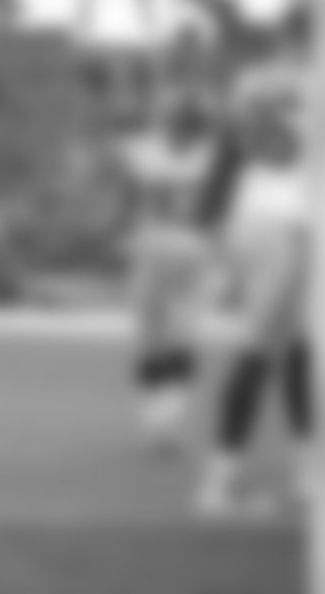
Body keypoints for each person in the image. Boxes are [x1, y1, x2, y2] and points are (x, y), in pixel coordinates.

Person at [193, 45, 311, 518]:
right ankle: (219, 484)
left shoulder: (266, 95)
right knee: (261, 353)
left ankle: (309, 474)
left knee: (299, 351)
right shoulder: (281, 100)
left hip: (276, 226)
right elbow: (275, 150)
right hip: (283, 229)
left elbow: (215, 190)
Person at [112, 85, 222, 451]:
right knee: (155, 336)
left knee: (178, 336)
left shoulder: (209, 157)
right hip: (157, 245)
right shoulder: (145, 153)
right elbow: (125, 198)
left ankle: (166, 417)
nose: (179, 129)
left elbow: (221, 207)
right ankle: (158, 417)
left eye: (185, 123)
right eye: (176, 122)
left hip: (187, 248)